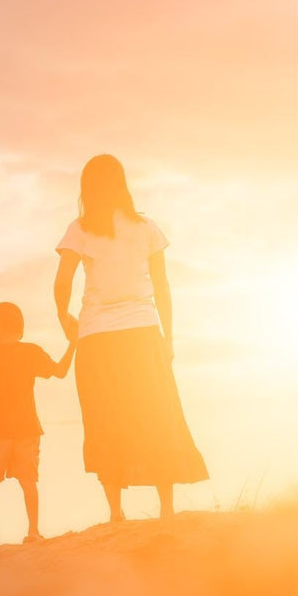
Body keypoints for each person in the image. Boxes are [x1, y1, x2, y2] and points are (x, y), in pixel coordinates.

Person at [53, 154, 208, 522]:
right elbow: (162, 287)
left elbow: (62, 283)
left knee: (105, 420)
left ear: (87, 187)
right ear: (121, 183)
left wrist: (64, 318)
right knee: (157, 415)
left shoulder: (79, 229)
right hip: (142, 333)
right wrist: (168, 339)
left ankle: (115, 512)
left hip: (96, 337)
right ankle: (166, 508)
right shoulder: (146, 227)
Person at [0, 302, 75, 547]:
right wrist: (73, 344)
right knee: (28, 482)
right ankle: (33, 532)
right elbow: (60, 371)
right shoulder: (31, 352)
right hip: (27, 428)